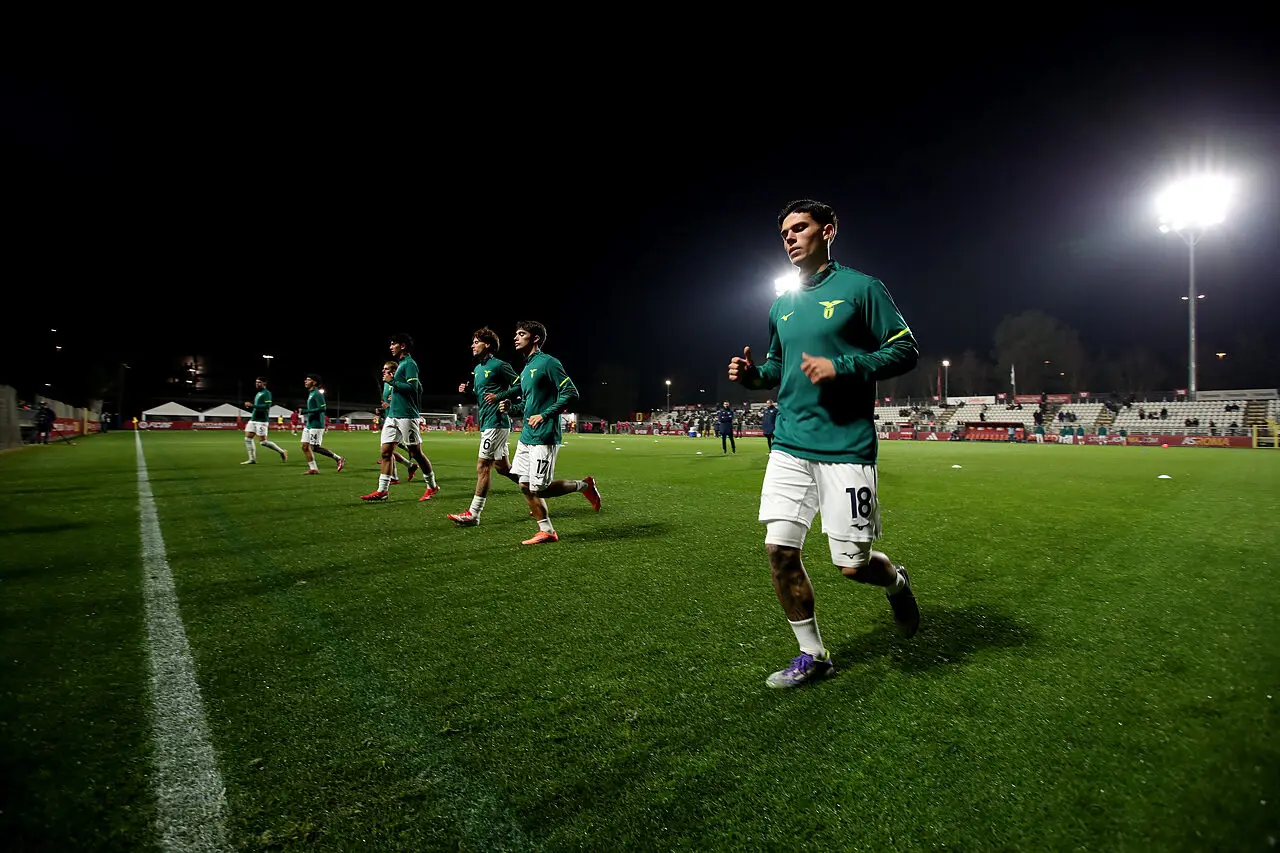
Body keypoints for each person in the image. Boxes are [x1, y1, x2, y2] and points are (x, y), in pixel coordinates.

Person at [728, 198, 920, 689]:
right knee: (779, 552)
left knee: (852, 567)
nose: (790, 238)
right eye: (785, 232)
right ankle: (813, 656)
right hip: (790, 443)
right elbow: (778, 367)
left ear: (828, 231)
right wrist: (753, 378)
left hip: (845, 446)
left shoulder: (862, 289)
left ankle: (896, 581)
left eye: (800, 228)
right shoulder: (781, 304)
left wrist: (844, 366)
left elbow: (904, 349)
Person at [486, 320, 601, 544]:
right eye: (516, 334)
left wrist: (545, 415)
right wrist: (513, 409)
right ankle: (546, 530)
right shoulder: (527, 368)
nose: (516, 338)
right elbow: (530, 405)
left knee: (541, 489)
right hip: (527, 435)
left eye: (521, 334)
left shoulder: (548, 363)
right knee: (524, 484)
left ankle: (585, 485)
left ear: (535, 338)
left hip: (545, 435)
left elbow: (570, 393)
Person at [447, 327, 522, 526]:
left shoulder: (499, 365)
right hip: (488, 423)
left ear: (487, 344)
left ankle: (474, 514)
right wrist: (468, 392)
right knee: (504, 468)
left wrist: (500, 396)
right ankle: (538, 492)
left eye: (476, 341)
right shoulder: (479, 369)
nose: (472, 345)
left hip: (496, 423)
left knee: (483, 466)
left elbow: (520, 384)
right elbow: (482, 398)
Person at [363, 334, 437, 501]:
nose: (391, 347)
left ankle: (432, 486)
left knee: (415, 453)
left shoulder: (410, 364)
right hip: (392, 416)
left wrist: (392, 382)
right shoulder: (402, 365)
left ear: (403, 346)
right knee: (385, 452)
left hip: (406, 416)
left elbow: (413, 387)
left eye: (393, 344)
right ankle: (382, 491)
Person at [378, 360, 417, 485]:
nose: (383, 371)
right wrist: (386, 406)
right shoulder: (385, 384)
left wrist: (390, 404)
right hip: (390, 417)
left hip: (401, 418)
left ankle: (430, 483)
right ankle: (406, 467)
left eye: (386, 368)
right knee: (388, 450)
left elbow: (408, 395)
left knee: (390, 450)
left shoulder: (398, 382)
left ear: (394, 371)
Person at [299, 374, 345, 474]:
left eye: (308, 380)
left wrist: (306, 411)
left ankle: (338, 458)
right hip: (309, 424)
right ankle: (313, 469)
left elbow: (323, 408)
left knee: (315, 447)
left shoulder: (317, 394)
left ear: (314, 382)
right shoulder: (311, 393)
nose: (305, 381)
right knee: (304, 446)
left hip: (316, 424)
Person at [241, 377, 288, 464]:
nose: (257, 384)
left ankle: (282, 452)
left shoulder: (267, 393)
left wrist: (253, 406)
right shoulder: (258, 393)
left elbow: (267, 406)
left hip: (261, 421)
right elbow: (257, 406)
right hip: (253, 419)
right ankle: (252, 459)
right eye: (256, 382)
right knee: (248, 439)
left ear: (264, 384)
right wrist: (252, 406)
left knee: (263, 442)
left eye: (259, 382)